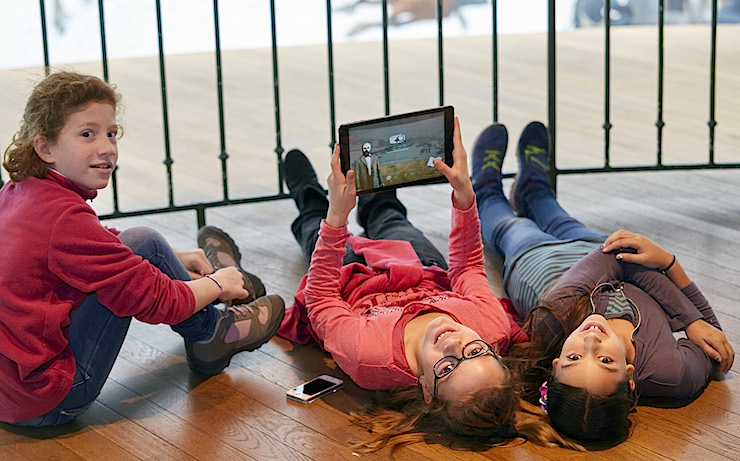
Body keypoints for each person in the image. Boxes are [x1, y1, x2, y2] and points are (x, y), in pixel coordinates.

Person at [0, 71, 285, 427]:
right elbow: (159, 299)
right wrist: (218, 285)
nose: (107, 147)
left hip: (9, 393)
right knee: (146, 245)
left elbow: (90, 244)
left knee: (143, 243)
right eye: (87, 134)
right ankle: (215, 329)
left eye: (111, 133)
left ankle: (216, 313)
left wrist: (173, 258)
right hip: (49, 399)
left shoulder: (19, 191)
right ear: (45, 147)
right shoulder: (63, 217)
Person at [471, 120, 735, 448]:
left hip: (538, 263)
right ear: (630, 377)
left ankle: (486, 184)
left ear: (554, 367)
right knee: (558, 216)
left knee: (507, 224)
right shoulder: (668, 373)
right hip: (599, 251)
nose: (589, 343)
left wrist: (668, 275)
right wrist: (679, 286)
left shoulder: (554, 318)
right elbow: (716, 347)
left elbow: (617, 259)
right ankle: (533, 187)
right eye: (605, 361)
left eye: (573, 359)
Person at [277, 118, 527, 453]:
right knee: (391, 218)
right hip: (421, 271)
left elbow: (321, 299)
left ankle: (307, 193)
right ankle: (373, 183)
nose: (454, 343)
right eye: (476, 351)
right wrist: (464, 195)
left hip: (354, 282)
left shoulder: (370, 357)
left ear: (426, 389)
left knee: (314, 225)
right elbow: (467, 268)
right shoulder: (491, 326)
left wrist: (336, 217)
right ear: (494, 349)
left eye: (449, 366)